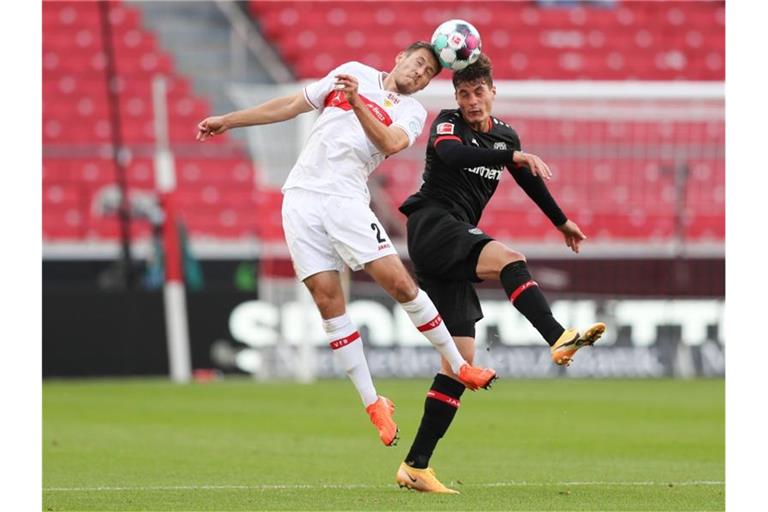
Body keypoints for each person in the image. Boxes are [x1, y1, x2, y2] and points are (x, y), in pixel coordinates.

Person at [196, 42, 497, 448]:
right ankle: (374, 403)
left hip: (346, 201)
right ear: (400, 58)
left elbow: (390, 143)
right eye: (419, 64)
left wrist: (357, 102)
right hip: (300, 199)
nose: (420, 74)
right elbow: (291, 105)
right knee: (326, 301)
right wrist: (229, 121)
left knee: (401, 285)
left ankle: (460, 365)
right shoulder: (352, 69)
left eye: (428, 74)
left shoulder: (412, 112)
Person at [395, 54, 606, 493]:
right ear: (456, 97)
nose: (471, 101)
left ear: (493, 92)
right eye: (464, 93)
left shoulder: (505, 134)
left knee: (460, 363)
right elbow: (450, 155)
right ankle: (558, 337)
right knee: (510, 258)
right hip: (433, 223)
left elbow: (527, 177)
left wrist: (561, 220)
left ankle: (416, 466)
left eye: (478, 92)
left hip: (450, 246)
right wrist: (511, 153)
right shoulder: (448, 124)